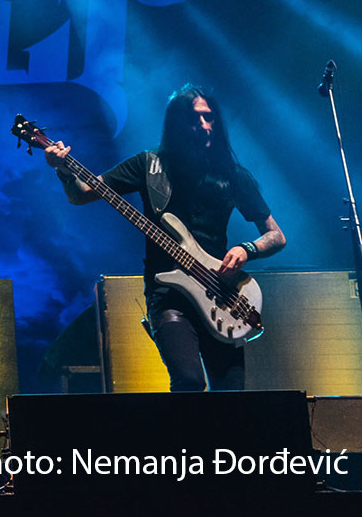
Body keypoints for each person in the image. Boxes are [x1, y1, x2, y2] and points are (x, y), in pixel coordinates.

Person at [46, 83, 285, 392]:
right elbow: (82, 194)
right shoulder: (149, 165)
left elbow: (276, 235)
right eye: (195, 119)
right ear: (177, 124)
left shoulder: (233, 175)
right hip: (168, 297)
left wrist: (246, 249)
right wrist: (65, 170)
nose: (204, 126)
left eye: (209, 117)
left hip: (221, 295)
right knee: (188, 381)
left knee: (231, 391)